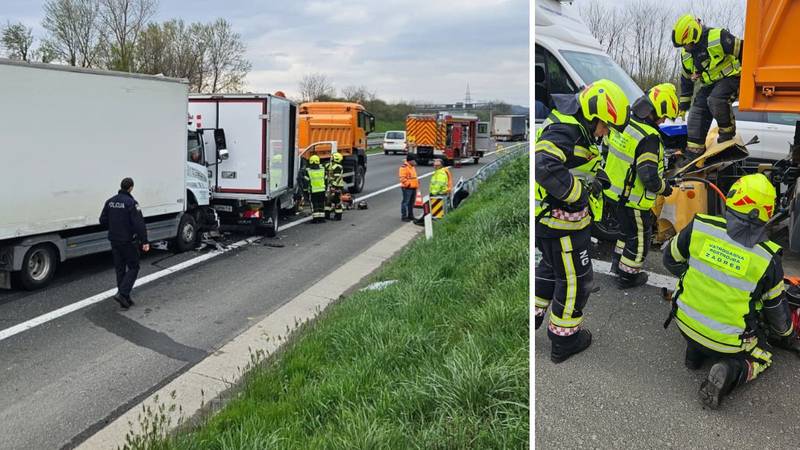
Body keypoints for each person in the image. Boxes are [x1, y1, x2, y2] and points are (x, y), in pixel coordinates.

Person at [663, 173, 800, 408]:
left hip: (684, 322)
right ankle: (730, 369)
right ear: (766, 210)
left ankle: (694, 354)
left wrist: (694, 277)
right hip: (728, 342)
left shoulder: (701, 226)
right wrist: (789, 336)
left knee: (701, 326)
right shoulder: (767, 258)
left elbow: (670, 260)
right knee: (763, 356)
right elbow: (777, 314)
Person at [535, 79, 630, 363]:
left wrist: (597, 176)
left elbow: (576, 162)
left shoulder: (576, 126)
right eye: (605, 126)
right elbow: (542, 164)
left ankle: (532, 318)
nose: (605, 133)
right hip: (561, 222)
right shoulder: (567, 131)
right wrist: (577, 195)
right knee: (577, 279)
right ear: (592, 115)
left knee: (551, 271)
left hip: (552, 222)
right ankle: (564, 340)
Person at [602, 83, 678, 289]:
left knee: (625, 234)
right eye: (664, 116)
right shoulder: (649, 138)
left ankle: (618, 266)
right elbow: (649, 178)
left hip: (613, 194)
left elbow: (607, 151)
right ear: (656, 111)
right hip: (634, 199)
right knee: (639, 239)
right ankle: (628, 277)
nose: (663, 121)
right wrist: (666, 188)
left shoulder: (624, 122)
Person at [672, 14, 743, 163]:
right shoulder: (686, 55)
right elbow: (686, 80)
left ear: (695, 35)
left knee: (715, 100)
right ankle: (694, 151)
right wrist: (683, 106)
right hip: (710, 84)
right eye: (683, 45)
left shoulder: (719, 37)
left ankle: (727, 132)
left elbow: (744, 51)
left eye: (687, 44)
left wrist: (751, 80)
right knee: (696, 111)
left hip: (732, 78)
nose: (685, 48)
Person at [99, 177, 149, 310]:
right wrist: (144, 241)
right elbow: (139, 224)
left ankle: (124, 298)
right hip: (127, 241)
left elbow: (102, 220)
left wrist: (114, 226)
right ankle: (123, 293)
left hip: (114, 240)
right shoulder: (131, 203)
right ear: (131, 187)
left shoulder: (110, 202)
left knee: (120, 268)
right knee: (134, 266)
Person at [305, 155, 327, 223]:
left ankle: (316, 219)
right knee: (321, 204)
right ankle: (322, 218)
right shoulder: (323, 170)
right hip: (322, 190)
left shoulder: (308, 171)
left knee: (315, 204)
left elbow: (306, 180)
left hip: (314, 191)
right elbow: (326, 179)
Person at [325, 152, 345, 220]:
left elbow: (337, 177)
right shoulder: (330, 165)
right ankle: (327, 215)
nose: (331, 158)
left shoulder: (338, 167)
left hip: (337, 186)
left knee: (337, 201)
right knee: (328, 200)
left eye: (332, 157)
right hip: (332, 185)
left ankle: (338, 216)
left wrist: (333, 186)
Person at [399, 153, 419, 222]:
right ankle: (404, 216)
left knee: (411, 203)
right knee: (405, 202)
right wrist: (409, 185)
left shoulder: (412, 167)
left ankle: (410, 216)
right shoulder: (404, 167)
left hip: (413, 187)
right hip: (407, 188)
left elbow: (413, 177)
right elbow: (402, 178)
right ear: (410, 161)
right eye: (414, 160)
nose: (416, 162)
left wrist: (416, 184)